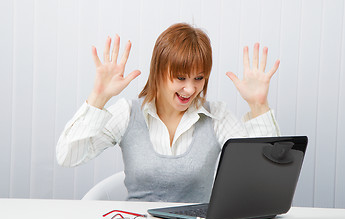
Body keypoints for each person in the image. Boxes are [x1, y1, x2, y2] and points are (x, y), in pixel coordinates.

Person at [56, 23, 280, 203]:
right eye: (181, 78)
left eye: (199, 78)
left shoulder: (217, 116)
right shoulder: (128, 113)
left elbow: (267, 177)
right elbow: (68, 157)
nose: (190, 89)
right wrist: (99, 97)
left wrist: (258, 104)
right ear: (159, 72)